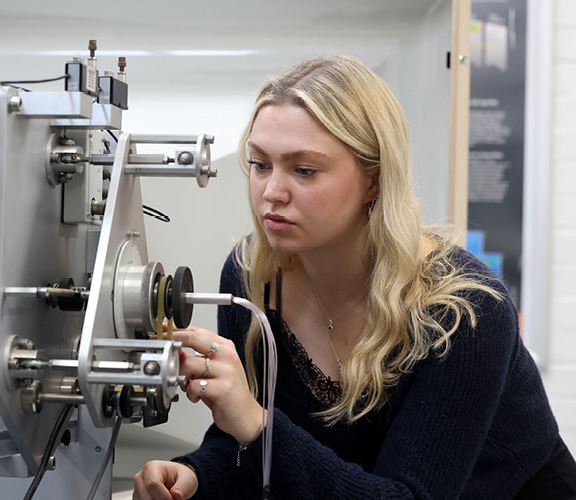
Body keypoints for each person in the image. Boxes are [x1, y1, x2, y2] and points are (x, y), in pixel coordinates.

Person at [132, 55, 576, 499]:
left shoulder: (464, 311)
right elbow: (248, 448)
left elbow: (405, 493)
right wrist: (195, 476)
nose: (271, 192)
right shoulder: (254, 276)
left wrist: (258, 425)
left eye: (304, 170)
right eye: (260, 164)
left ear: (374, 180)